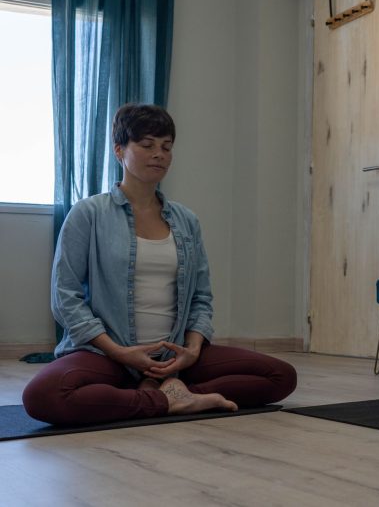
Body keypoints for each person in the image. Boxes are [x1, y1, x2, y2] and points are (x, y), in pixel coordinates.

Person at [23, 104, 297, 425]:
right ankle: (168, 398)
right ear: (119, 150)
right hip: (108, 354)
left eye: (167, 147)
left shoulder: (186, 220)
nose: (160, 154)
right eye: (147, 145)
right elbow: (65, 297)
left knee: (281, 376)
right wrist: (120, 352)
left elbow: (201, 298)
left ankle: (163, 388)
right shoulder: (89, 214)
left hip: (175, 356)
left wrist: (192, 350)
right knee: (44, 396)